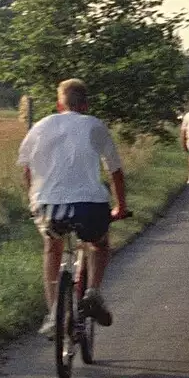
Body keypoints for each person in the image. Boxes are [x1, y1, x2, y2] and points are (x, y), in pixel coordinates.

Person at [17, 78, 128, 337]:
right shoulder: (94, 125)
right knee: (99, 244)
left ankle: (54, 311)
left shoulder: (42, 125)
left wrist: (34, 200)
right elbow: (115, 171)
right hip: (90, 205)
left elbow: (27, 169)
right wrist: (121, 206)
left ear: (59, 104)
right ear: (86, 105)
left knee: (52, 246)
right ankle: (93, 292)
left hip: (48, 204)